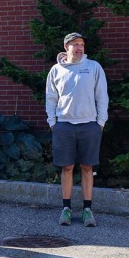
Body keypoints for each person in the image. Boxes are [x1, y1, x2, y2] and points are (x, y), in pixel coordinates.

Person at [45, 32, 108, 228]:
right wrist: (53, 122)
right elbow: (51, 98)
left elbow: (102, 96)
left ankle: (87, 210)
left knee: (87, 167)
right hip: (63, 125)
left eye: (81, 44)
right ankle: (66, 209)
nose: (79, 48)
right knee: (67, 167)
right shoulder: (56, 70)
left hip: (89, 125)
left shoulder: (93, 67)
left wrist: (100, 122)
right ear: (66, 48)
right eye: (75, 45)